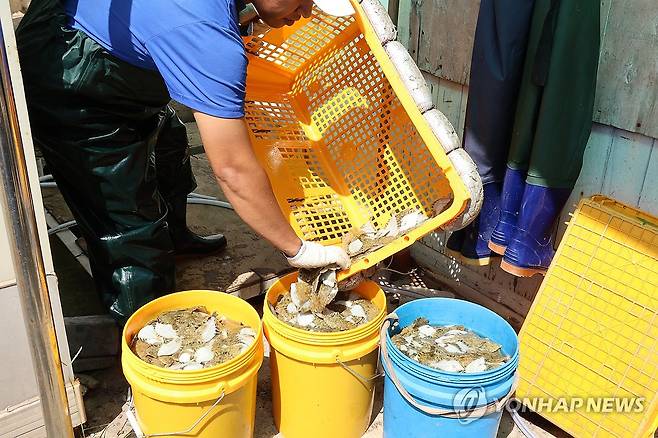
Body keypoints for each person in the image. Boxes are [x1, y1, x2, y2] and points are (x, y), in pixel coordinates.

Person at [16, 0, 351, 323]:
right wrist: (298, 249)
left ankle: (174, 238)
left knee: (169, 143)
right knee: (127, 224)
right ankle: (148, 341)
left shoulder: (205, 27)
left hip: (109, 42)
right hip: (69, 72)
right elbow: (232, 170)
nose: (309, 10)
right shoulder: (207, 38)